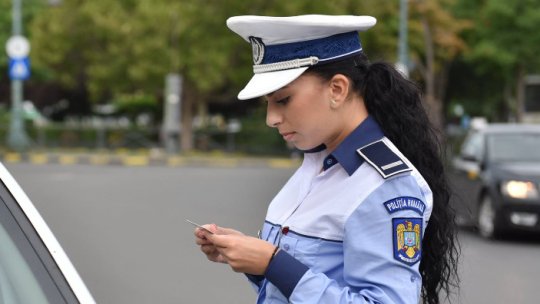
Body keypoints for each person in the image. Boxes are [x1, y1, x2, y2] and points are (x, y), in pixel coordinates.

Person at [193, 15, 459, 304]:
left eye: (283, 100)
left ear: (337, 89)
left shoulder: (384, 185)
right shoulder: (317, 162)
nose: (271, 118)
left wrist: (273, 262)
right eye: (267, 103)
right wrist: (252, 259)